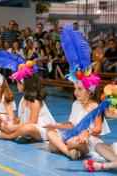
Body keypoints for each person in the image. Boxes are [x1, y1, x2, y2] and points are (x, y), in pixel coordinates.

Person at [45, 25, 110, 160]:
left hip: (89, 140)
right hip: (75, 137)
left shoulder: (95, 107)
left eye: (79, 89)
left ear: (90, 91)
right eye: (74, 88)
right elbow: (72, 125)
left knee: (67, 143)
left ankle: (70, 149)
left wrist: (87, 132)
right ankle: (70, 152)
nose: (76, 92)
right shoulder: (76, 104)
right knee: (51, 134)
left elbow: (98, 129)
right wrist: (56, 125)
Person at [0, 62, 56, 142]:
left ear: (24, 84)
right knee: (4, 124)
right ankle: (21, 135)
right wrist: (11, 123)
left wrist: (14, 127)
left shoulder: (35, 101)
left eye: (18, 82)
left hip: (41, 129)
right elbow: (22, 119)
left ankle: (9, 136)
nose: (16, 84)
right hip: (26, 127)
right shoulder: (23, 99)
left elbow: (32, 122)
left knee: (27, 128)